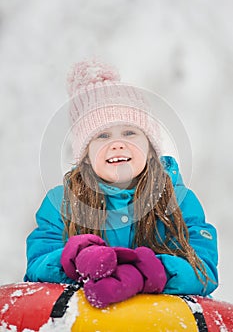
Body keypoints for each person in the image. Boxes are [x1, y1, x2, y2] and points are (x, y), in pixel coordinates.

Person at [24, 59, 218, 308]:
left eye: (130, 133)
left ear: (150, 149)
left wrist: (151, 272)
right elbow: (37, 264)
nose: (116, 144)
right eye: (102, 136)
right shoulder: (62, 202)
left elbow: (204, 269)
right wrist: (76, 259)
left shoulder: (178, 200)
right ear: (86, 154)